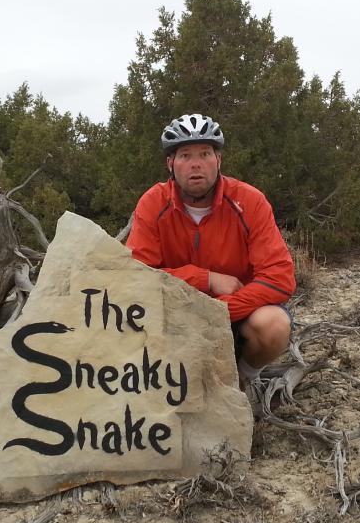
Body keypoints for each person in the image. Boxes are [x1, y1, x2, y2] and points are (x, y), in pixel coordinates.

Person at [125, 113, 295, 387]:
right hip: (173, 311)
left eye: (205, 154)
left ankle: (241, 382)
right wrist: (204, 278)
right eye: (185, 155)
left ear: (218, 160)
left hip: (238, 311)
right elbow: (136, 275)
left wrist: (219, 311)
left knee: (273, 325)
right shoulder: (153, 203)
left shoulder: (249, 200)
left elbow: (279, 277)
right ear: (171, 163)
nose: (196, 164)